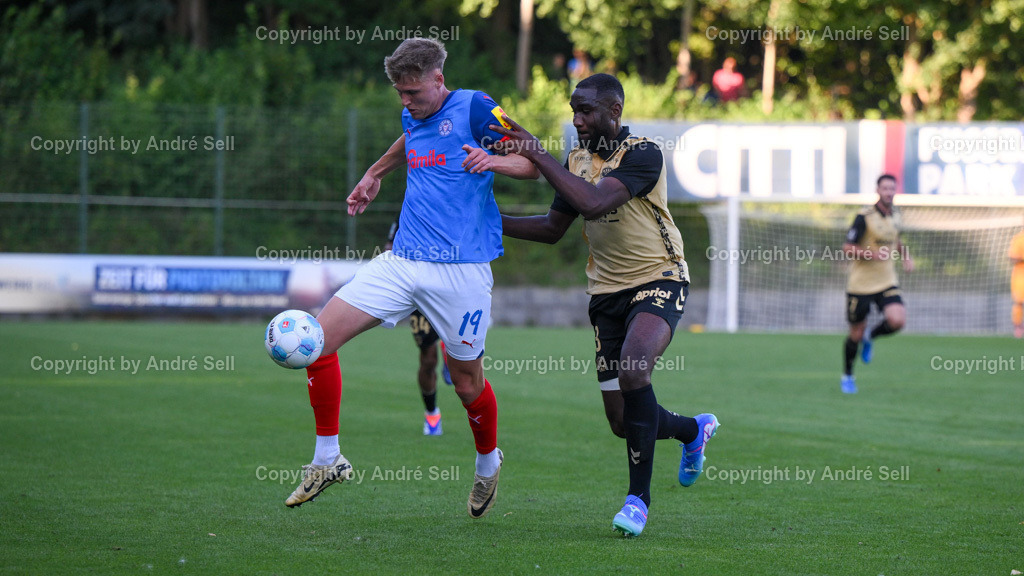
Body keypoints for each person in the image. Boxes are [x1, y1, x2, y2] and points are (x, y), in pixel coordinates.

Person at [283, 37, 538, 519]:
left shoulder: (477, 109)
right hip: (402, 262)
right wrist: (374, 172)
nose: (406, 102)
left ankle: (487, 463)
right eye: (399, 93)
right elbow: (411, 139)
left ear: (439, 81)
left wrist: (495, 160)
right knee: (315, 341)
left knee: (465, 384)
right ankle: (327, 459)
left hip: (462, 271)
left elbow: (535, 160)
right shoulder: (413, 113)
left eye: (414, 93)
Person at [485, 73, 719, 538]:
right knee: (621, 422)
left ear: (614, 110)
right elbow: (554, 228)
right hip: (605, 295)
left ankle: (638, 501)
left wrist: (535, 152)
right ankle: (692, 431)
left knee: (635, 370)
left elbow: (592, 204)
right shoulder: (576, 159)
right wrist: (488, 223)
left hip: (660, 279)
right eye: (573, 111)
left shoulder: (644, 153)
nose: (577, 120)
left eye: (585, 111)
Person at [840, 174, 914, 393]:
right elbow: (847, 247)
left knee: (898, 320)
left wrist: (906, 256)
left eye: (892, 189)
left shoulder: (896, 216)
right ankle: (848, 375)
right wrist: (872, 254)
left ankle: (870, 336)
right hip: (860, 285)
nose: (889, 192)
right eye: (885, 188)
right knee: (854, 334)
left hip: (886, 282)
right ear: (878, 190)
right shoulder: (864, 217)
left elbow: (896, 241)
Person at [384, 217, 454, 436]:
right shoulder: (407, 212)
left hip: (449, 288)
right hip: (418, 293)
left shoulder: (454, 209)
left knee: (463, 351)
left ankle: (449, 351)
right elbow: (389, 248)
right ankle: (432, 414)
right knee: (428, 359)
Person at [1009, 225, 1024, 338]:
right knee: (1019, 302)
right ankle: (1018, 329)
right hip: (1020, 276)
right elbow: (1012, 258)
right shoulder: (1019, 238)